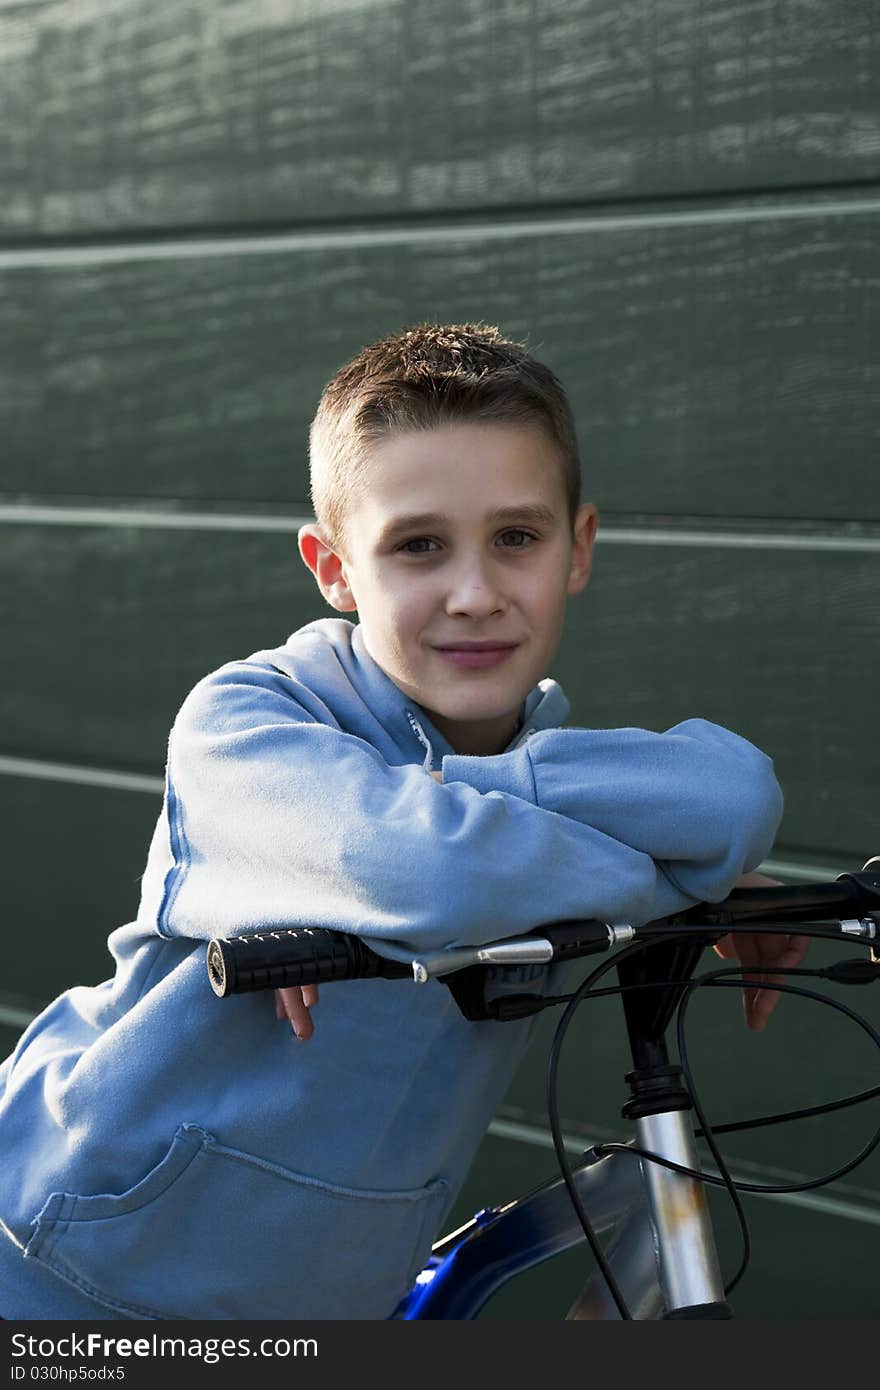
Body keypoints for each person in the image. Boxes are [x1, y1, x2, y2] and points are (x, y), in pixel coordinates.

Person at [0, 323, 806, 1321]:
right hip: (67, 1264)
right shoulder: (249, 727)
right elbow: (430, 872)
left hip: (332, 1293)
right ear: (334, 568)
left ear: (577, 549)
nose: (474, 594)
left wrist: (582, 851)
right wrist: (682, 873)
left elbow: (734, 796)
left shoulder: (552, 757)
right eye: (418, 545)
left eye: (516, 537)